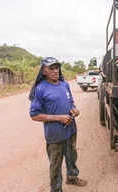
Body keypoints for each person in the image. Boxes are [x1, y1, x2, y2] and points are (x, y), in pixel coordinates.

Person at [29, 57, 87, 192]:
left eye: (56, 68)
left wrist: (74, 109)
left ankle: (72, 177)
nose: (55, 71)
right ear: (44, 71)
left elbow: (70, 102)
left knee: (72, 155)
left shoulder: (64, 84)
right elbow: (34, 115)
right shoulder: (40, 89)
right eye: (51, 69)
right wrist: (58, 118)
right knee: (55, 163)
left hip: (71, 129)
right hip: (55, 134)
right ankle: (56, 189)